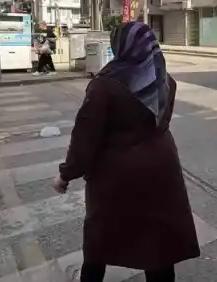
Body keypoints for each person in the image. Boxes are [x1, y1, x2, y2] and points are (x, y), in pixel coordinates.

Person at [52, 22, 200, 281]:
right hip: (161, 168)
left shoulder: (106, 84)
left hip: (117, 176)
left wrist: (66, 174)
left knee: (101, 238)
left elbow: (85, 136)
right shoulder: (164, 79)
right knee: (157, 242)